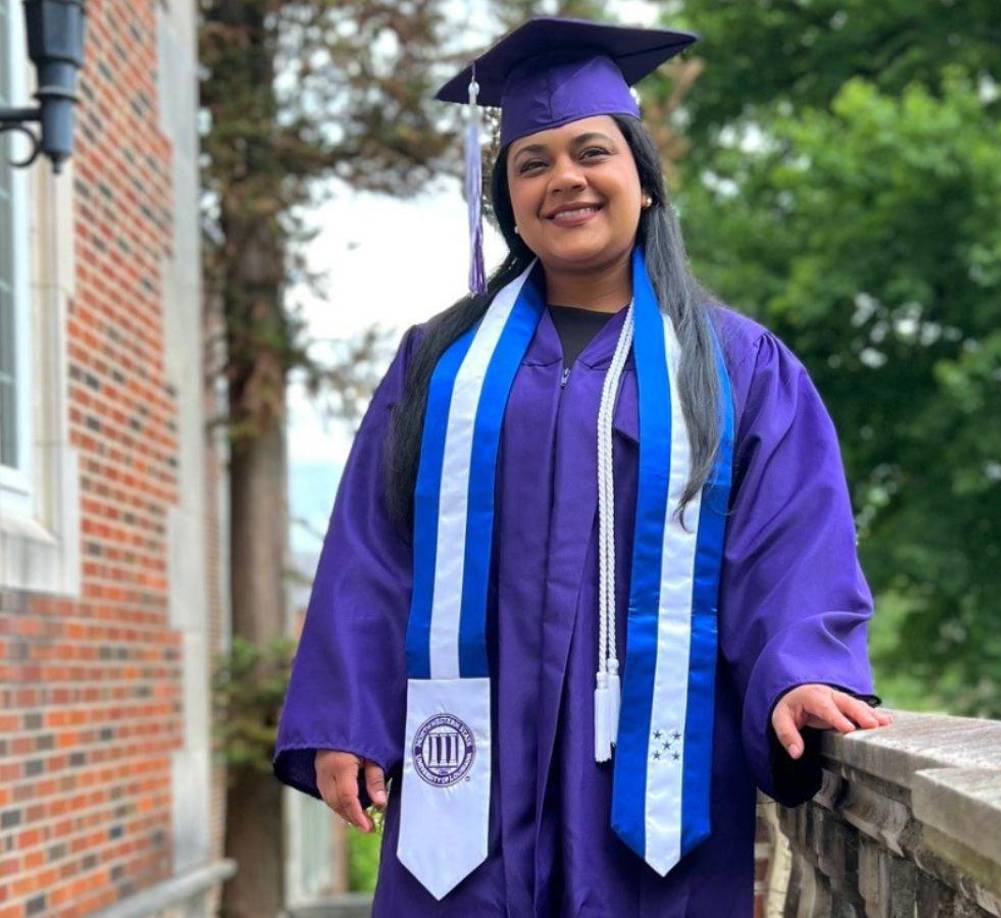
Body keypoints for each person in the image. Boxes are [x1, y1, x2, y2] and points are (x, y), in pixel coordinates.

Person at [273, 16, 892, 916]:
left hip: (652, 775)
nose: (564, 178)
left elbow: (790, 544)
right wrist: (349, 719)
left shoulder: (737, 368)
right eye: (532, 162)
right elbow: (373, 548)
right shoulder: (440, 364)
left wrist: (802, 670)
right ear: (508, 200)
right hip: (470, 773)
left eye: (591, 152)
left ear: (642, 180)